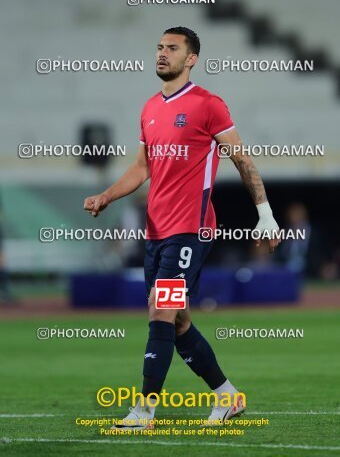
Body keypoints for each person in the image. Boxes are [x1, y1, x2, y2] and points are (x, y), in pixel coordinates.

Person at [84, 26, 281, 430]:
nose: (162, 53)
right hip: (156, 232)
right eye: (158, 47)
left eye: (172, 48)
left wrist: (265, 214)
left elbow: (242, 160)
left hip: (191, 230)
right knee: (177, 320)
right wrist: (106, 195)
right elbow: (142, 168)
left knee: (161, 308)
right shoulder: (149, 109)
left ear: (191, 58)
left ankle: (144, 411)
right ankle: (227, 396)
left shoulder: (209, 105)